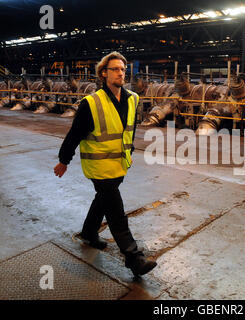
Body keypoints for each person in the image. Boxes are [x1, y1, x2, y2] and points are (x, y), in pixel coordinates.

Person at [54, 51, 157, 277]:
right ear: (103, 73)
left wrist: (128, 151)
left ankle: (89, 232)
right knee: (115, 209)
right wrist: (64, 160)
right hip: (99, 166)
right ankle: (133, 257)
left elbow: (129, 130)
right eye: (115, 69)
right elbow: (75, 134)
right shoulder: (91, 103)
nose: (121, 73)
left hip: (120, 164)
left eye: (123, 69)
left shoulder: (132, 99)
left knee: (103, 200)